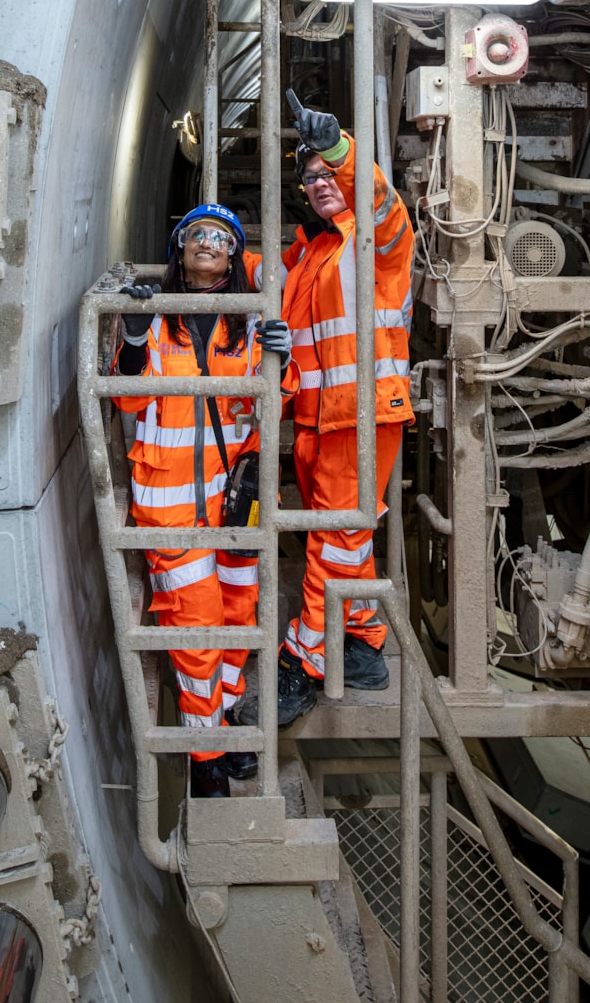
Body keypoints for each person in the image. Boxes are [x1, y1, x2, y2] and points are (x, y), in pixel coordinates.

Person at [114, 203, 292, 797]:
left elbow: (270, 409)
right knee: (199, 629)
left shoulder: (246, 322)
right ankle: (205, 753)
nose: (208, 243)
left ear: (237, 254)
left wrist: (279, 357)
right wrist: (135, 342)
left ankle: (231, 719)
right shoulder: (160, 319)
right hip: (171, 505)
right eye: (197, 234)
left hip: (235, 500)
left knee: (241, 614)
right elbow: (128, 403)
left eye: (222, 237)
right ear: (180, 248)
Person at [273, 91, 414, 726]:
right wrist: (199, 252)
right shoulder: (309, 254)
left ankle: (308, 660)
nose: (322, 182)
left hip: (361, 417)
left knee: (333, 541)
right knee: (345, 541)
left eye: (329, 174)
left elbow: (381, 204)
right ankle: (361, 643)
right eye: (311, 176)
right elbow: (255, 275)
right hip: (314, 419)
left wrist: (338, 149)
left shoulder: (376, 242)